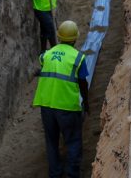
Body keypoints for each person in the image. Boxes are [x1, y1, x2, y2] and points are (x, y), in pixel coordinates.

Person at [33, 20, 90, 178]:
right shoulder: (78, 58)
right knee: (72, 141)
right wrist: (86, 101)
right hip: (67, 107)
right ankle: (72, 174)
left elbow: (43, 63)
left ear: (59, 37)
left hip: (46, 105)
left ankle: (55, 173)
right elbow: (83, 83)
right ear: (75, 39)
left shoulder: (46, 55)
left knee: (51, 141)